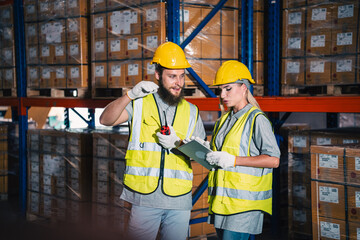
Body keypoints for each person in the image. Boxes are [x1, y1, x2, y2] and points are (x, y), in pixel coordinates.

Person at [99, 41, 206, 240]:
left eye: (182, 76)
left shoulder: (191, 111)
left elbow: (201, 158)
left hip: (179, 201)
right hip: (145, 198)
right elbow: (106, 119)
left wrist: (178, 145)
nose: (178, 83)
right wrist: (129, 95)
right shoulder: (140, 103)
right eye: (172, 76)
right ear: (158, 75)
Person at [204, 60, 280, 240]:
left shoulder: (256, 119)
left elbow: (273, 160)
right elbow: (223, 154)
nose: (222, 94)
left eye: (228, 88)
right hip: (222, 202)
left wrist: (234, 160)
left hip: (243, 206)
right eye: (220, 89)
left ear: (244, 87)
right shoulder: (223, 120)